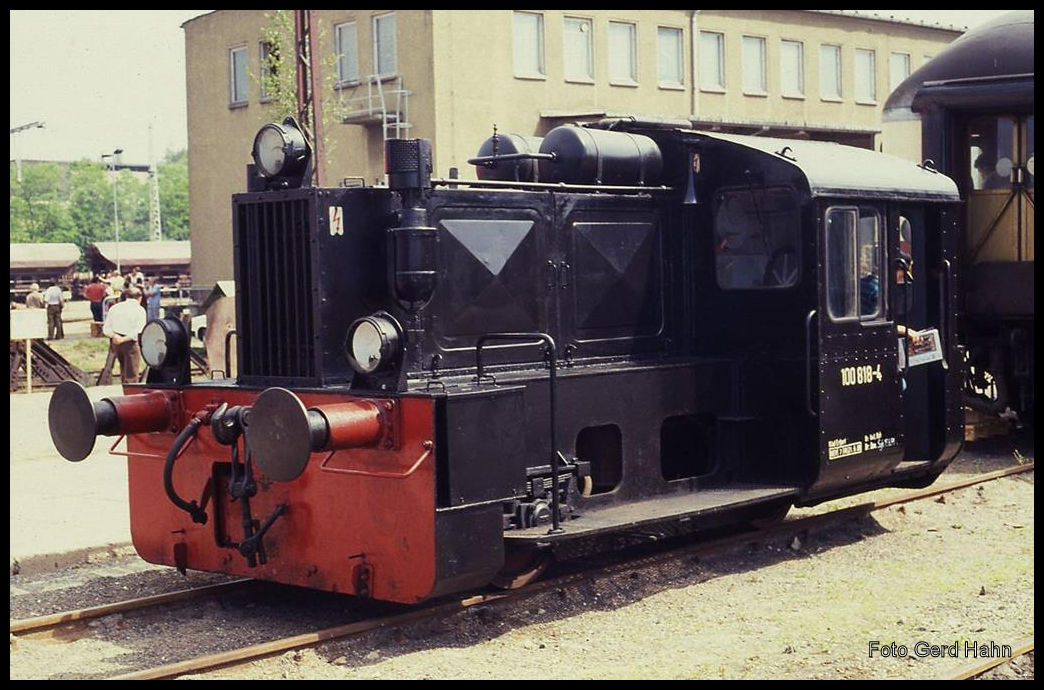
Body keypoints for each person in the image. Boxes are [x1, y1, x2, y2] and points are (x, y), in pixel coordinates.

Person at [102, 287, 147, 384]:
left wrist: (115, 336)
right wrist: (123, 339)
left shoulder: (114, 308)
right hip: (130, 342)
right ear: (140, 298)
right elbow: (139, 329)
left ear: (126, 296)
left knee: (123, 370)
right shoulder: (140, 310)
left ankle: (124, 392)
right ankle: (131, 396)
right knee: (131, 374)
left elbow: (106, 328)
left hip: (115, 342)